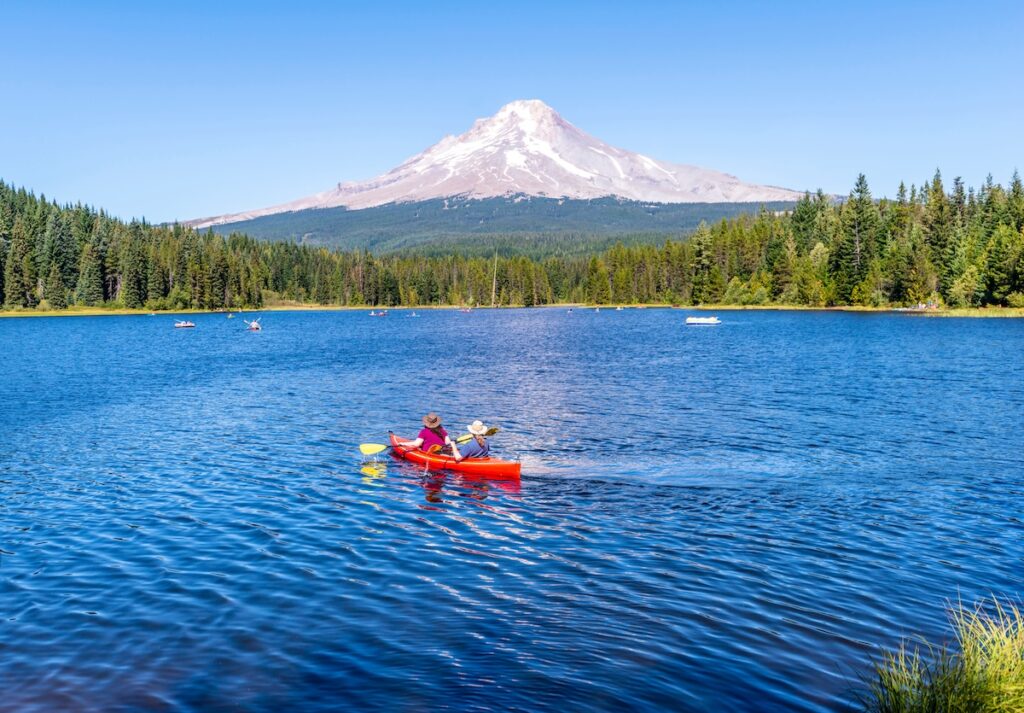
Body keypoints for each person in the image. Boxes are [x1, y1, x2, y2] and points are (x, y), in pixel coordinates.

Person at [396, 412, 461, 458]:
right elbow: (448, 444)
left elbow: (416, 444)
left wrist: (403, 444)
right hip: (441, 452)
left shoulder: (424, 432)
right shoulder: (443, 431)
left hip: (429, 454)